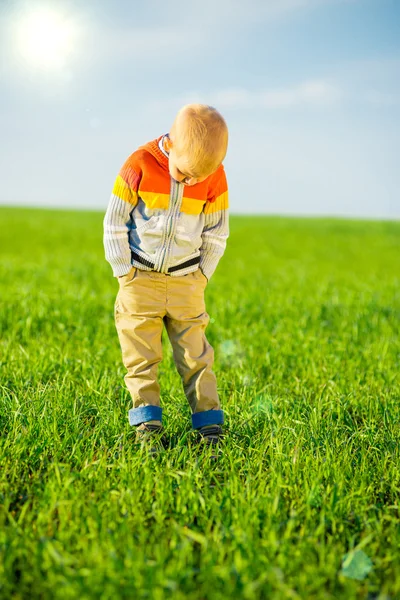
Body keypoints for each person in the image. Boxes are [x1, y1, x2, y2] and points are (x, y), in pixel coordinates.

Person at [103, 104, 229, 453]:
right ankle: (147, 423)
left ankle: (209, 427)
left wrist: (203, 274)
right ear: (170, 145)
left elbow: (217, 232)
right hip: (139, 277)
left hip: (187, 279)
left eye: (199, 178)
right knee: (141, 355)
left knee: (196, 355)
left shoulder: (213, 176)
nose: (191, 182)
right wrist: (123, 271)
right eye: (185, 174)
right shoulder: (139, 164)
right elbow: (114, 221)